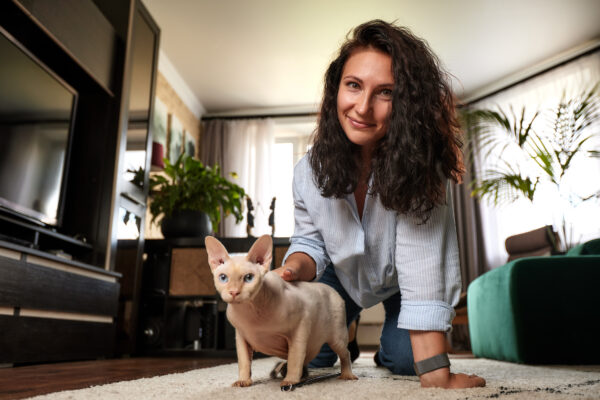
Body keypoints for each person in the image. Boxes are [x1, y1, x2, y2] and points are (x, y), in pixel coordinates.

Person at [273, 20, 486, 389]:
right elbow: (310, 243)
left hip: (403, 281)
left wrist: (437, 374)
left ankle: (388, 350)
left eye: (385, 92)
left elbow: (421, 263)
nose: (363, 107)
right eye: (353, 85)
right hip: (340, 276)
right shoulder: (307, 171)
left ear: (406, 103)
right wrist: (290, 271)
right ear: (336, 87)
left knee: (409, 362)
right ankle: (348, 333)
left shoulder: (423, 167)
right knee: (310, 355)